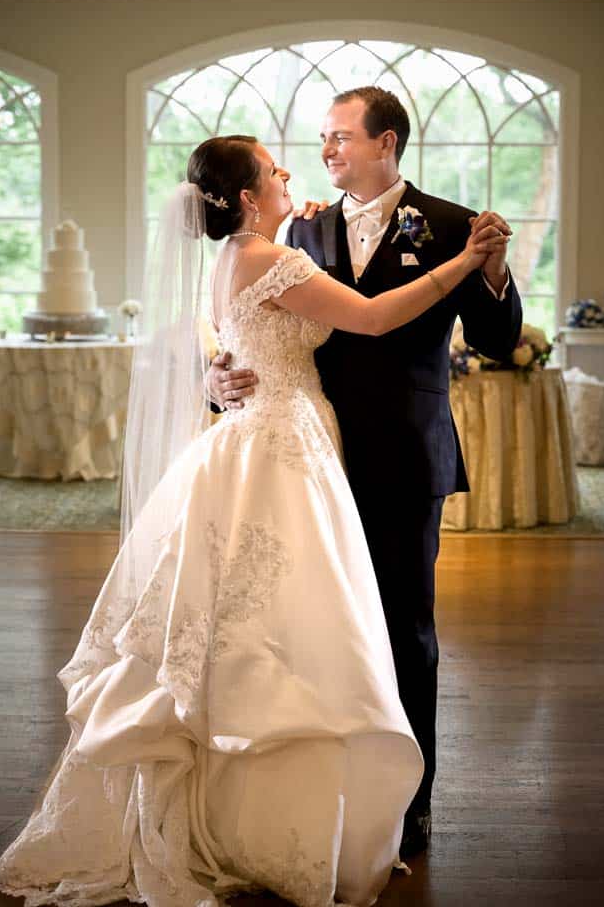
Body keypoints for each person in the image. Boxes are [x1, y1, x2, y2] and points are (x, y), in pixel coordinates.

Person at [0, 134, 510, 907]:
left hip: (276, 439)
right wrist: (462, 264)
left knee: (248, 617)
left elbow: (242, 341)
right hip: (284, 445)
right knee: (287, 620)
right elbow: (367, 320)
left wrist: (219, 368)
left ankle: (267, 792)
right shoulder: (274, 255)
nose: (294, 171)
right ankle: (272, 812)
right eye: (273, 170)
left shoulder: (242, 254)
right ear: (243, 196)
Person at [207, 89, 523, 858]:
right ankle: (322, 781)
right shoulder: (298, 227)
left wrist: (494, 267)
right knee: (312, 626)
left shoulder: (453, 226)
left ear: (386, 142)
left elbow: (494, 339)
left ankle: (408, 804)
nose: (325, 151)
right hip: (302, 453)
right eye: (320, 138)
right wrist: (218, 384)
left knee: (403, 627)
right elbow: (246, 328)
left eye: (340, 137)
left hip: (403, 453)